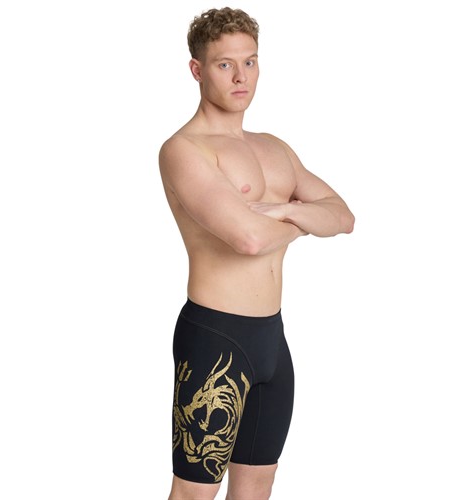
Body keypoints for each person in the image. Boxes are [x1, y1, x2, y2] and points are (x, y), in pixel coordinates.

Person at [159, 7, 355, 500]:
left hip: (272, 341)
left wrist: (282, 212)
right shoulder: (184, 149)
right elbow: (247, 239)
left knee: (255, 493)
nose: (241, 76)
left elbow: (343, 216)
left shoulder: (275, 148)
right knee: (193, 493)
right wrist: (303, 216)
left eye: (250, 61)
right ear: (197, 69)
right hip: (215, 341)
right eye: (225, 64)